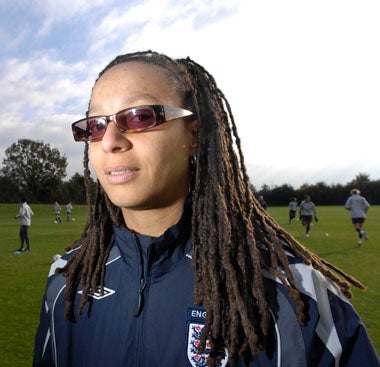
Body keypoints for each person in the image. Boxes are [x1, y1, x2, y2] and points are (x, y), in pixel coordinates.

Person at [33, 51, 379, 367]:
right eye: (94, 126)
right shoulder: (66, 277)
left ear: (194, 135)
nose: (109, 141)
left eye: (139, 117)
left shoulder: (292, 293)